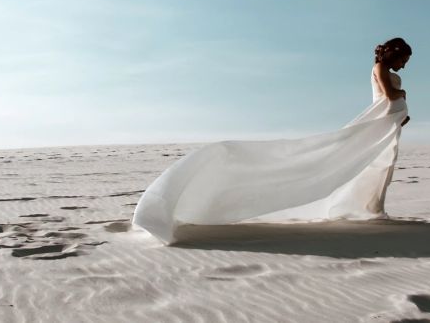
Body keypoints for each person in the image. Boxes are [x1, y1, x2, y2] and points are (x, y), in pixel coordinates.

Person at [132, 38, 411, 244]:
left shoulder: (385, 68)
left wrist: (400, 115)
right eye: (403, 59)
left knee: (379, 167)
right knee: (356, 163)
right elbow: (388, 95)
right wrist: (404, 95)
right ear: (394, 53)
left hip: (386, 127)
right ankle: (364, 208)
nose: (404, 65)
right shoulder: (379, 67)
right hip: (378, 127)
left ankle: (371, 208)